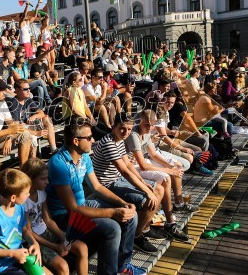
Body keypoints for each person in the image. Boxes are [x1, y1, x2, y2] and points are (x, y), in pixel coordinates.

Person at [46, 117, 144, 275]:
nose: (93, 140)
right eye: (89, 137)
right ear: (76, 141)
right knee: (112, 228)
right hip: (63, 217)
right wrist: (113, 213)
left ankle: (123, 266)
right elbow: (73, 209)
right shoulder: (58, 164)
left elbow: (97, 187)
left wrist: (122, 203)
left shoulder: (84, 157)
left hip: (82, 205)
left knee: (131, 216)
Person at [90, 113, 164, 254]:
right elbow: (124, 171)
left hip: (118, 179)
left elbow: (128, 165)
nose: (126, 132)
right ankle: (137, 236)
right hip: (108, 184)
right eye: (122, 128)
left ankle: (142, 229)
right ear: (114, 126)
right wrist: (146, 190)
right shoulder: (108, 143)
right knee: (148, 198)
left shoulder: (119, 140)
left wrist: (142, 181)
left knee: (159, 189)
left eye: (129, 129)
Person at [125, 110, 193, 242]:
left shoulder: (146, 133)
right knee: (165, 177)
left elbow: (153, 155)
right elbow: (143, 165)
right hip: (132, 168)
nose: (150, 127)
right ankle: (169, 222)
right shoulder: (134, 134)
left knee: (171, 170)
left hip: (139, 164)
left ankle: (170, 219)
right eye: (147, 124)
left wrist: (170, 167)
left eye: (152, 125)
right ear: (140, 121)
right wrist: (170, 171)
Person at [21, 159, 88, 275]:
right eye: (43, 179)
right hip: (34, 240)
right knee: (63, 267)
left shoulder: (41, 194)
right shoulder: (23, 201)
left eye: (47, 178)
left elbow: (48, 219)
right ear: (30, 179)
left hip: (47, 232)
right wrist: (55, 246)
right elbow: (28, 232)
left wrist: (61, 235)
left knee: (82, 247)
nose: (47, 182)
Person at [0, 168, 48, 275]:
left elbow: (25, 229)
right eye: (26, 193)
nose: (28, 195)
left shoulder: (19, 207)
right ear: (13, 197)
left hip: (21, 256)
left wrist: (35, 243)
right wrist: (12, 253)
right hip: (2, 267)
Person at [6, 79, 57, 157]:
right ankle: (32, 163)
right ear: (17, 90)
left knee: (46, 118)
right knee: (32, 137)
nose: (29, 91)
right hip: (18, 130)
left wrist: (34, 116)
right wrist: (36, 133)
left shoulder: (27, 100)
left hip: (27, 125)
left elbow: (42, 113)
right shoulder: (13, 103)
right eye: (25, 89)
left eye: (29, 88)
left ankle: (54, 150)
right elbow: (17, 127)